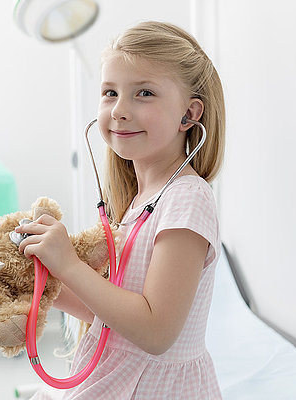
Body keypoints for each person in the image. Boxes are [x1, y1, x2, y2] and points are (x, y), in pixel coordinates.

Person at [17, 20, 225, 399]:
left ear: (188, 115)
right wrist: (45, 280)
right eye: (110, 92)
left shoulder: (187, 198)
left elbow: (155, 331)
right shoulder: (139, 201)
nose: (120, 110)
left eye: (144, 93)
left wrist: (70, 265)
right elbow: (112, 316)